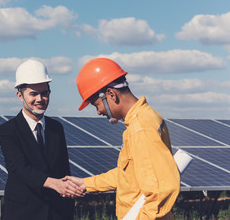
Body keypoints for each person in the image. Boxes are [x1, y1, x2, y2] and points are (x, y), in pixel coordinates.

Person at [64, 58, 180, 219]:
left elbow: (160, 191)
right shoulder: (143, 119)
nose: (98, 111)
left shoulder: (140, 128)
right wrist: (86, 184)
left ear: (111, 94)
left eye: (96, 104)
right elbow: (129, 176)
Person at [0, 59, 83, 220]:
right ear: (20, 96)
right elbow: (19, 168)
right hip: (23, 212)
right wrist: (55, 184)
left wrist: (70, 191)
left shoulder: (56, 128)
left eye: (44, 93)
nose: (40, 99)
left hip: (57, 212)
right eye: (33, 94)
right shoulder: (7, 131)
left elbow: (63, 168)